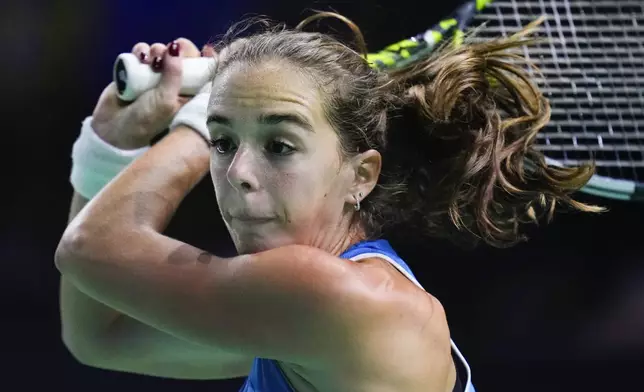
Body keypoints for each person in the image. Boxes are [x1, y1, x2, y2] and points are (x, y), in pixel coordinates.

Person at [56, 13, 601, 392]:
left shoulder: (335, 297)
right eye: (225, 145)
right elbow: (100, 336)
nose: (239, 174)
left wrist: (202, 119)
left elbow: (89, 249)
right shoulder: (301, 321)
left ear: (361, 175)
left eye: (279, 145)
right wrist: (111, 143)